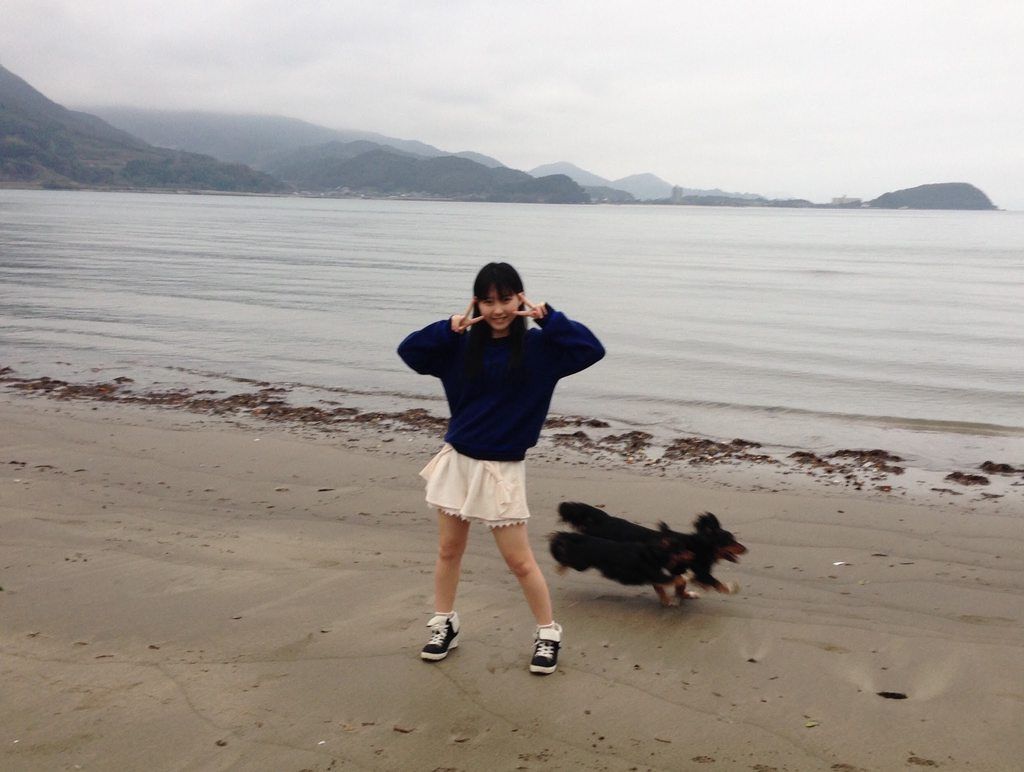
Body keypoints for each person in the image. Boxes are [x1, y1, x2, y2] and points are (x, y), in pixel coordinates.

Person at [397, 262, 604, 675]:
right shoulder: (458, 348)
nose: (498, 310)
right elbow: (410, 352)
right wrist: (447, 328)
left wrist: (550, 318)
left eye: (506, 300)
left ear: (519, 299)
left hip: (503, 467)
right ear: (477, 303)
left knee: (520, 562)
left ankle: (548, 632)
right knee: (448, 551)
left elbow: (590, 349)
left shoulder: (541, 350)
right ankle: (444, 623)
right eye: (488, 301)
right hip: (458, 461)